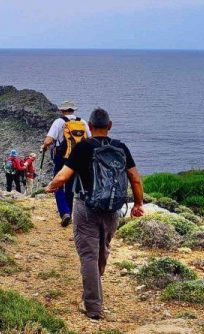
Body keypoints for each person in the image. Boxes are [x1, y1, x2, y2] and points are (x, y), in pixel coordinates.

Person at [45, 108, 145, 320]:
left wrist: (51, 186)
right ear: (110, 126)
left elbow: (64, 176)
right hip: (112, 209)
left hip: (86, 208)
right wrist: (138, 204)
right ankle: (93, 291)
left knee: (89, 255)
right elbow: (135, 178)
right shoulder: (121, 147)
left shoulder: (83, 147)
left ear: (89, 127)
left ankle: (93, 307)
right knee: (102, 250)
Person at [40, 101, 91, 227]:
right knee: (70, 186)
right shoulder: (82, 122)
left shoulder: (59, 122)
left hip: (62, 157)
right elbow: (90, 139)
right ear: (73, 110)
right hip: (78, 158)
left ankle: (65, 212)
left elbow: (49, 140)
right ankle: (69, 213)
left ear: (62, 111)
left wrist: (44, 146)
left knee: (58, 184)